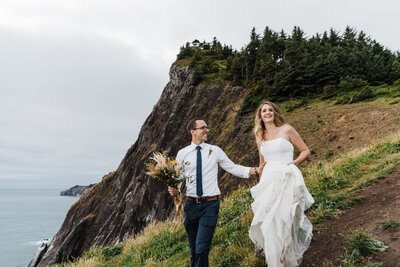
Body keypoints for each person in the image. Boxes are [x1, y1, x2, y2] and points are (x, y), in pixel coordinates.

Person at [168, 119, 264, 267]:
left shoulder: (215, 151)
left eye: (207, 127)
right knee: (194, 250)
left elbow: (232, 167)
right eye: (203, 128)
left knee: (201, 249)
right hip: (190, 206)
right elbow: (179, 177)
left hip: (210, 205)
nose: (207, 130)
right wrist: (173, 188)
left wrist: (254, 170)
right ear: (193, 132)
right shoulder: (183, 153)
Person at [248, 100, 314, 267]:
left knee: (285, 218)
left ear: (274, 112)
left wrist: (294, 163)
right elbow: (262, 163)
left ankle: (286, 255)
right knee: (270, 222)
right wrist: (261, 183)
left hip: (287, 176)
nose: (268, 113)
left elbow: (305, 150)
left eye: (270, 110)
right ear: (260, 116)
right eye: (264, 111)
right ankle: (276, 261)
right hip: (269, 180)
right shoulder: (260, 136)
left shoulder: (287, 129)